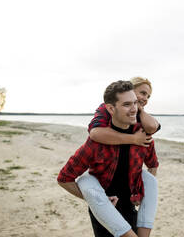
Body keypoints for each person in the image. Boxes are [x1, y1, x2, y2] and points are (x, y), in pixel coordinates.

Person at [58, 80, 159, 237]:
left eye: (135, 103)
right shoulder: (96, 143)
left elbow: (153, 165)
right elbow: (64, 178)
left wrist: (142, 192)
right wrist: (94, 199)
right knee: (86, 180)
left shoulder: (142, 136)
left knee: (151, 181)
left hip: (131, 208)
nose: (134, 109)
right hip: (104, 215)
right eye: (127, 104)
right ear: (111, 108)